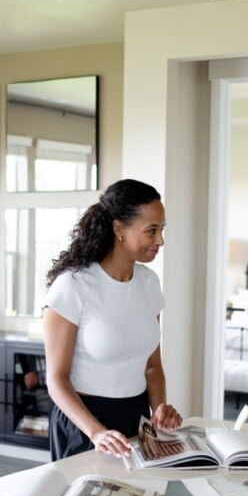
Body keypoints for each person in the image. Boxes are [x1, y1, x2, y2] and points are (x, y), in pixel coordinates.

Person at [43, 178, 182, 460]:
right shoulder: (73, 285)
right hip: (84, 426)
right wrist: (96, 433)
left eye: (162, 230)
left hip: (136, 420)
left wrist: (159, 412)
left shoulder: (149, 283)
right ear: (119, 228)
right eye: (151, 231)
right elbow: (56, 379)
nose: (161, 241)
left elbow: (153, 368)